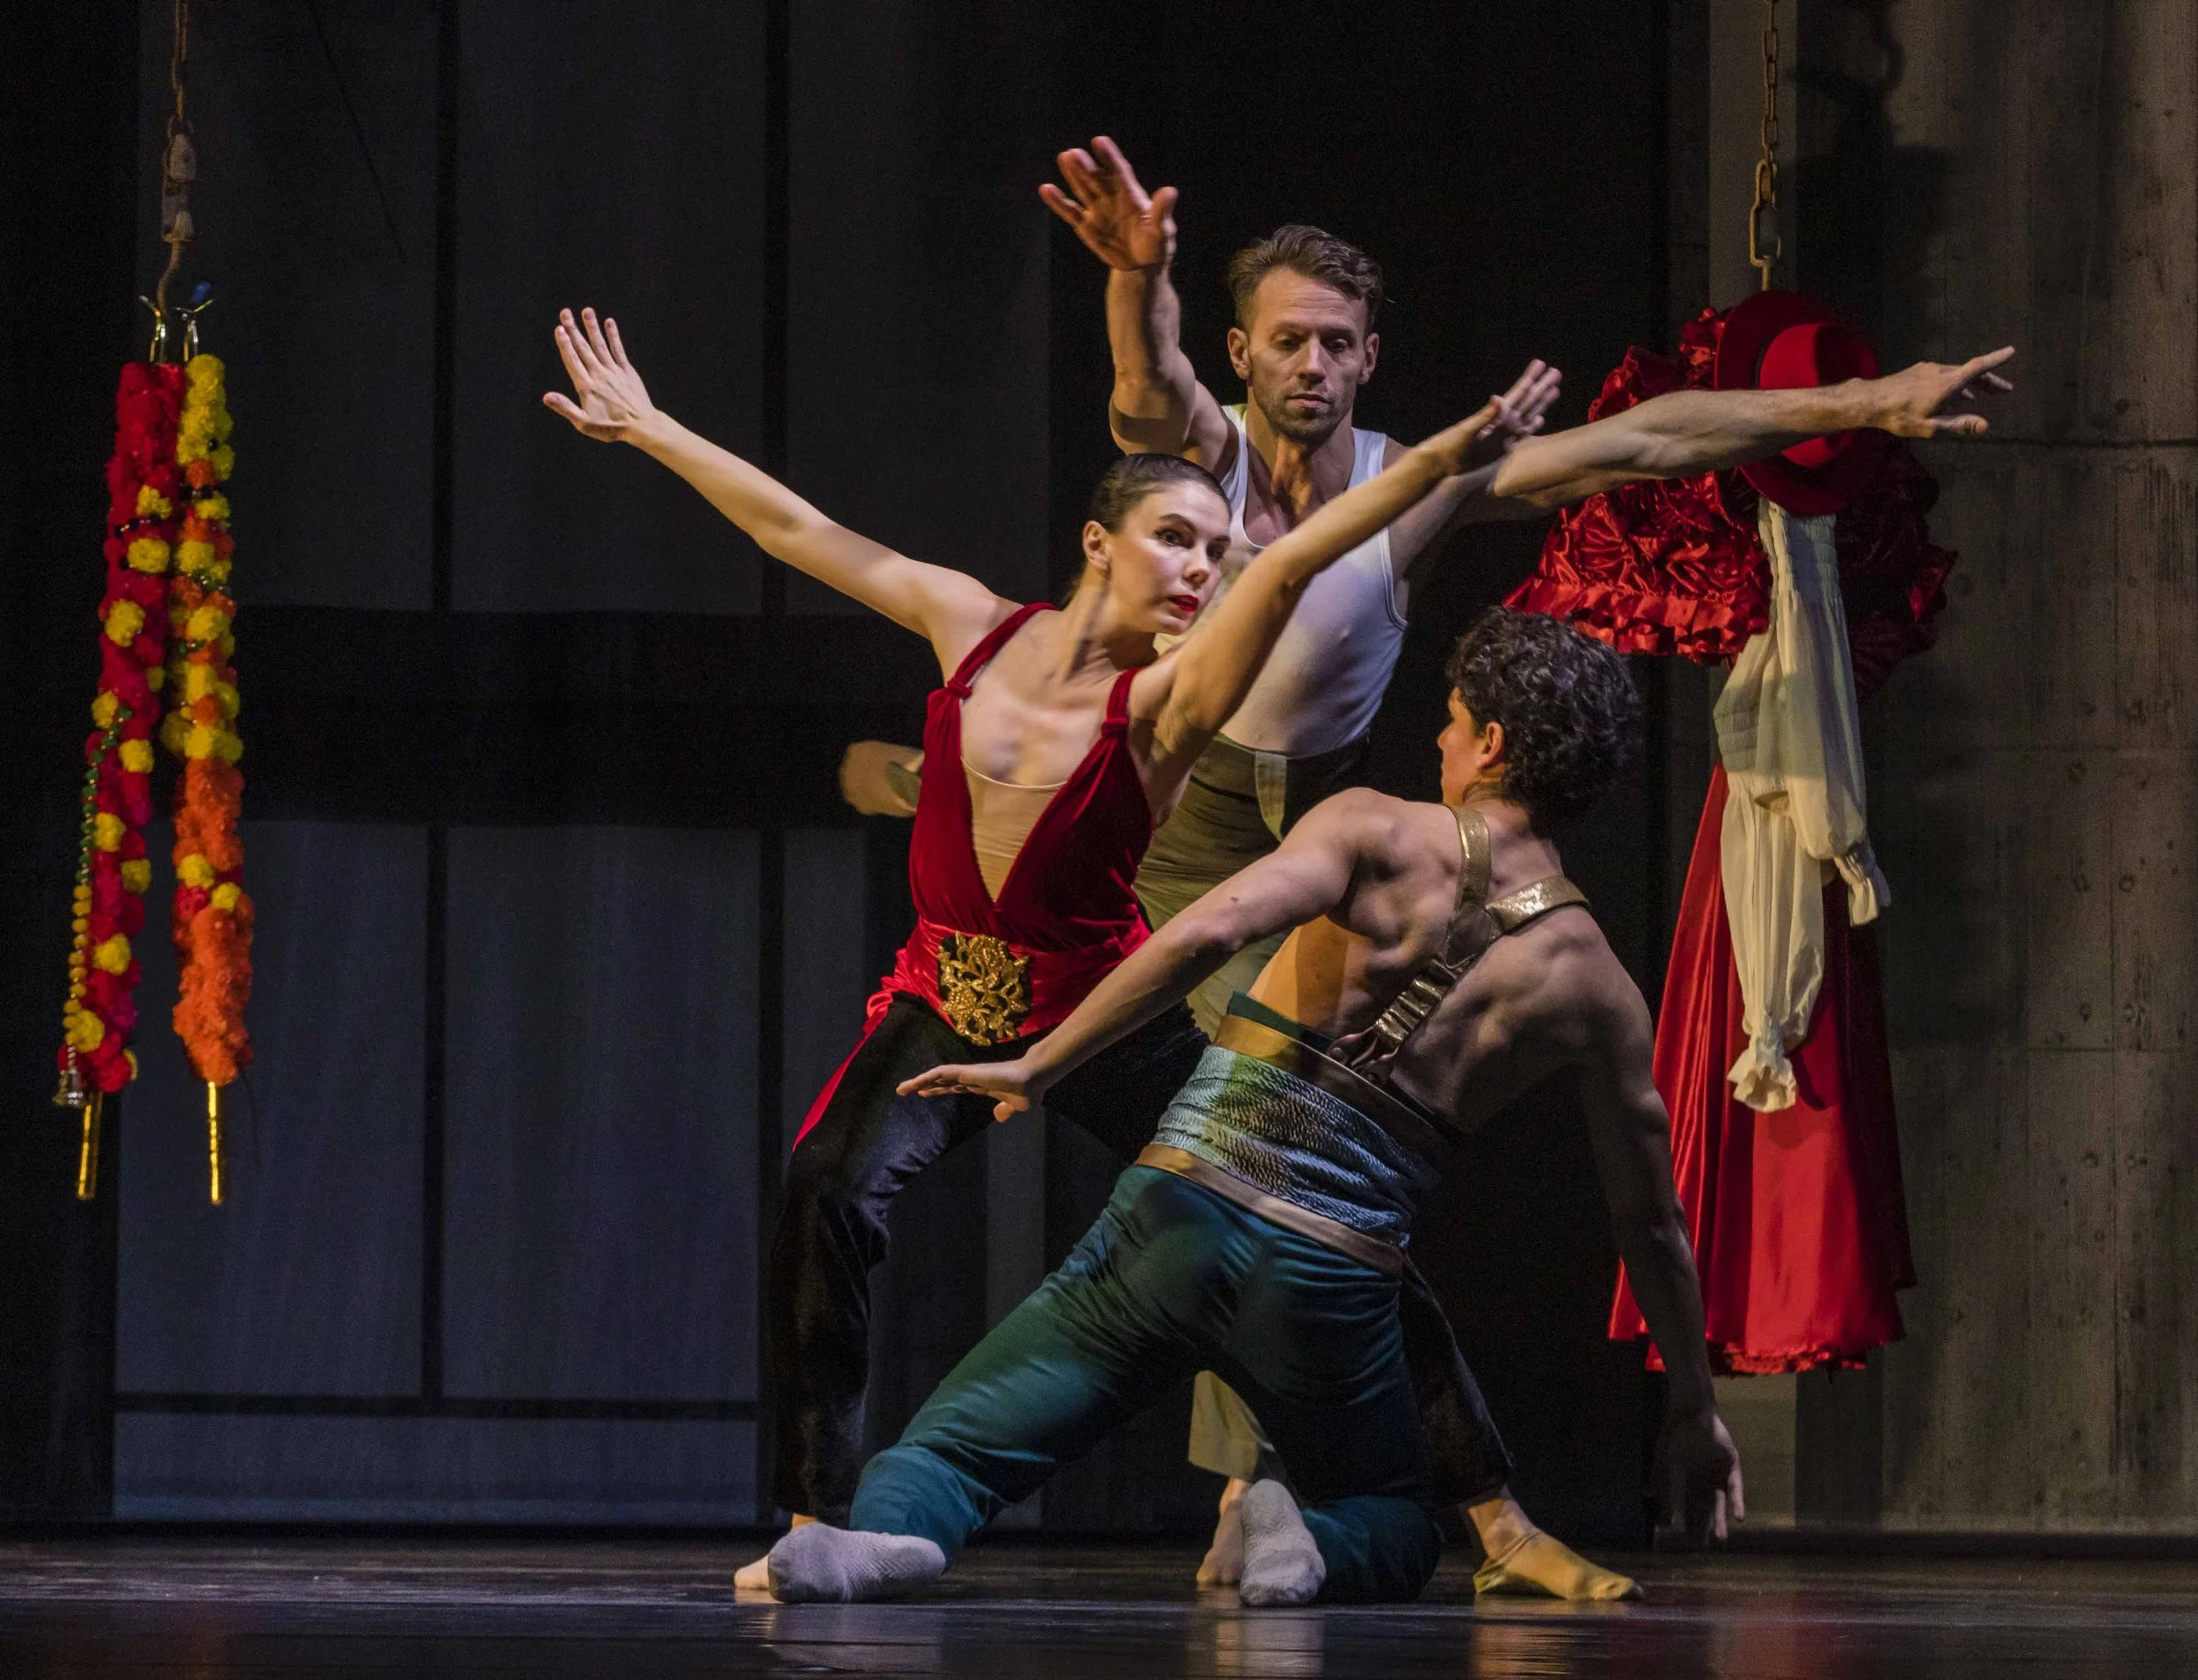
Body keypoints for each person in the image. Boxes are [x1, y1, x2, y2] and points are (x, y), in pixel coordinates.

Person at [840, 135, 2020, 1600]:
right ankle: (1373, 1503)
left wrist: (1865, 403)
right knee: (1237, 1167)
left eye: (1339, 342)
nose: (1314, 366)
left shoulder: (1419, 482)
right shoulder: (1204, 458)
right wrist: (1134, 280)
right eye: (1288, 341)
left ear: (1371, 354)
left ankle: (1283, 1495)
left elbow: (1650, 439)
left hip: (1324, 826)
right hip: (1178, 823)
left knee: (1313, 1182)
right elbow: (1145, 385)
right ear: (1243, 354)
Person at [538, 303, 1544, 1588]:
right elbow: (796, 529)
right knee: (825, 1187)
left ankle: (1487, 1503)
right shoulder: (969, 622)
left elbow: (1294, 566)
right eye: (1175, 538)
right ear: (1096, 542)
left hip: (1099, 1012)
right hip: (942, 996)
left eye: (1216, 550)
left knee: (1301, 1204)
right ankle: (812, 1519)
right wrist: (649, 427)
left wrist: (1446, 454)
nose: (1201, 568)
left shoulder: (1170, 699)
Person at [763, 608, 1739, 1607]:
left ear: (1489, 745)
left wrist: (1042, 1063)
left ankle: (880, 1541)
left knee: (948, 1456)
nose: (1440, 744)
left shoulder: (1376, 830)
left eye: (1451, 724)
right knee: (1397, 1522)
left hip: (1172, 1221)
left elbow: (1207, 932)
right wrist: (1694, 1411)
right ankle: (1306, 1542)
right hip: (1329, 1281)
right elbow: (1652, 1225)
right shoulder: (1599, 988)